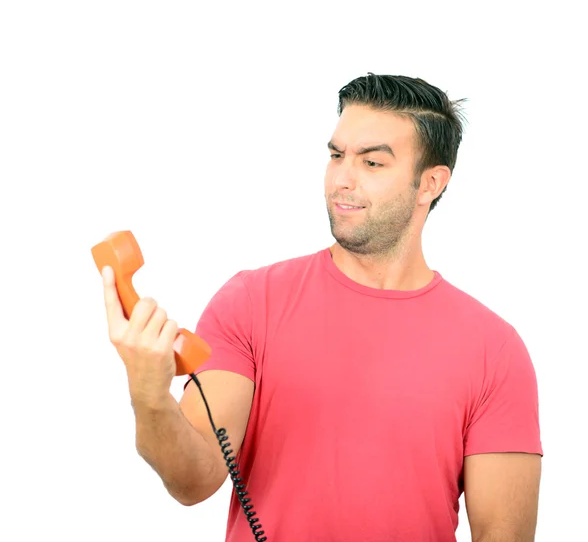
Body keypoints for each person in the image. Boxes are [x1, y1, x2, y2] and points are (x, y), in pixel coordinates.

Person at [101, 73, 543, 542]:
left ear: (429, 183)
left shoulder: (494, 349)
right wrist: (149, 396)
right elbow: (193, 480)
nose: (342, 179)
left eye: (372, 162)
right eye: (336, 156)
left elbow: (504, 536)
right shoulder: (252, 303)